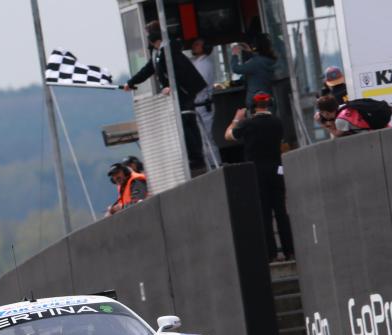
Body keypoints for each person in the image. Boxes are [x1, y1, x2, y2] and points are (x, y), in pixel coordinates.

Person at [124, 21, 208, 174]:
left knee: (186, 121)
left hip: (185, 91)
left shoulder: (170, 51)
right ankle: (194, 156)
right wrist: (131, 82)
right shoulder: (158, 53)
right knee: (185, 122)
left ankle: (196, 158)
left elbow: (180, 71)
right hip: (180, 92)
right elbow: (148, 69)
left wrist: (171, 86)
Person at [225, 92, 294, 262]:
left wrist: (236, 119)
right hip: (276, 171)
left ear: (252, 107)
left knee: (264, 214)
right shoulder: (277, 122)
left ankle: (271, 254)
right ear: (269, 104)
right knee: (281, 212)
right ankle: (289, 251)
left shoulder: (248, 124)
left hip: (256, 173)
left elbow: (228, 136)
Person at [191, 37, 221, 165]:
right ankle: (210, 164)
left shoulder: (205, 64)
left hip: (203, 104)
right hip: (198, 104)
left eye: (197, 44)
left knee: (207, 137)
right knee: (202, 138)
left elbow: (199, 84)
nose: (194, 46)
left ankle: (215, 164)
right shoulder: (197, 62)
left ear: (205, 48)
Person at [231, 33, 277, 110]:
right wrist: (250, 52)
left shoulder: (256, 63)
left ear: (256, 46)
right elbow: (259, 63)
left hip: (256, 102)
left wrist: (234, 54)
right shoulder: (270, 60)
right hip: (269, 100)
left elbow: (236, 69)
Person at [316, 95, 392, 137]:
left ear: (326, 113)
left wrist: (322, 124)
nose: (321, 114)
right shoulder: (345, 106)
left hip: (377, 135)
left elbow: (337, 134)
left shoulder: (340, 120)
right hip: (384, 128)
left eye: (322, 112)